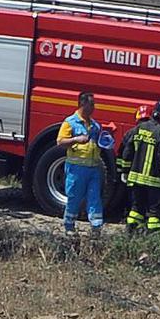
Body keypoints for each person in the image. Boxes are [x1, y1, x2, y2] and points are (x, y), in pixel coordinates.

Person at [121, 100, 160, 233]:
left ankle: (131, 234)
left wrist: (125, 171)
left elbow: (127, 152)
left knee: (135, 209)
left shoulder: (139, 128)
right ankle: (152, 238)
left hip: (135, 178)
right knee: (154, 213)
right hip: (153, 181)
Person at [57, 91, 103, 236]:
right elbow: (60, 141)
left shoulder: (95, 125)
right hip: (76, 169)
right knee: (74, 198)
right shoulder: (70, 122)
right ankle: (69, 226)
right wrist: (76, 139)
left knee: (95, 198)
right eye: (92, 104)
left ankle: (96, 228)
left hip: (94, 168)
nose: (94, 107)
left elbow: (99, 142)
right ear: (83, 104)